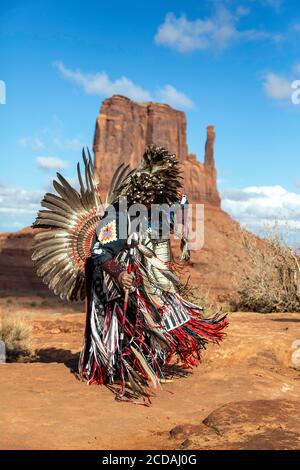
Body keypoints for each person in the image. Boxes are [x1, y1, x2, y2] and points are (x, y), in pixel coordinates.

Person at [32, 145, 227, 403]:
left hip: (146, 271)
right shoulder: (120, 214)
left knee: (161, 311)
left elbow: (180, 204)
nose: (154, 204)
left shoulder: (164, 202)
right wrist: (118, 272)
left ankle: (149, 364)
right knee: (123, 322)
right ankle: (113, 367)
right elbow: (100, 251)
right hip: (114, 277)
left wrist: (183, 236)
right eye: (151, 201)